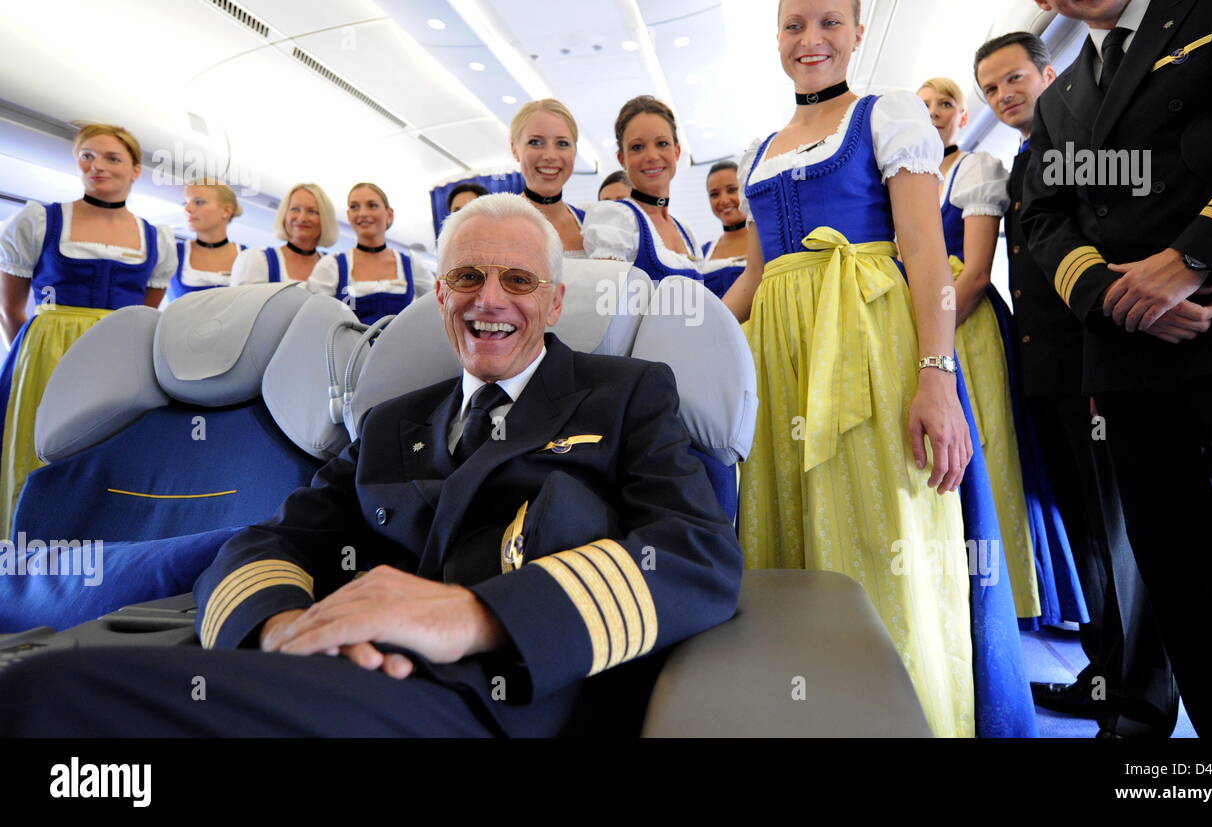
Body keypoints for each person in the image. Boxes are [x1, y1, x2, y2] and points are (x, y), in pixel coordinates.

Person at [0, 193, 743, 737]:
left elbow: (697, 553)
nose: (490, 300)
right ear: (439, 292)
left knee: (48, 703)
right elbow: (269, 542)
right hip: (349, 682)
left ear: (553, 302)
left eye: (517, 282)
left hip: (503, 695)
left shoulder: (623, 394)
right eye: (466, 279)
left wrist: (478, 615)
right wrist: (276, 627)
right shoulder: (393, 420)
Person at [1008, 0, 1212, 736]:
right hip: (1134, 358)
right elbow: (1045, 220)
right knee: (1183, 579)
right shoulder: (1061, 106)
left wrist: (1194, 260)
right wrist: (1115, 297)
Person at [723, 0, 1033, 738]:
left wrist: (936, 375)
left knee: (884, 533)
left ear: (859, 33)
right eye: (795, 26)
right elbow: (758, 277)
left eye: (830, 23)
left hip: (869, 346)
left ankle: (904, 715)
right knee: (789, 533)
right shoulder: (759, 146)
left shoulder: (888, 114)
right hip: (778, 361)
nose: (811, 39)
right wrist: (688, 352)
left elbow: (928, 255)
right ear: (777, 41)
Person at [975, 30, 1178, 738]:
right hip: (1050, 377)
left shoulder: (1089, 144)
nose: (1004, 96)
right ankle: (1105, 672)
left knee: (1122, 539)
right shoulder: (1022, 161)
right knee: (1089, 537)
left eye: (1012, 79)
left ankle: (1143, 702)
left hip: (1096, 370)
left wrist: (1107, 365)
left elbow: (1107, 257)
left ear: (1048, 73)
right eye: (992, 89)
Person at [0, 123, 176, 536]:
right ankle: (27, 545)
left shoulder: (157, 239)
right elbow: (11, 308)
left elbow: (145, 316)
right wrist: (32, 359)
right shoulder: (39, 220)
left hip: (119, 356)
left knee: (113, 451)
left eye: (111, 158)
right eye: (87, 156)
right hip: (46, 351)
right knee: (37, 449)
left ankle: (103, 543)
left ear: (135, 169)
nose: (96, 166)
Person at [915, 77, 1045, 623]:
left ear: (962, 118)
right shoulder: (907, 178)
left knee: (985, 449)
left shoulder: (975, 170)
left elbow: (973, 272)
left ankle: (1005, 595)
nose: (933, 112)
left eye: (945, 103)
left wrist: (929, 337)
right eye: (923, 104)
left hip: (962, 319)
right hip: (925, 322)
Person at [583, 96, 702, 283]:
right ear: (622, 159)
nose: (652, 156)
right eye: (637, 147)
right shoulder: (618, 220)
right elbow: (606, 307)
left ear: (676, 152)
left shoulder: (685, 231)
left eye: (662, 143)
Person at [308, 183, 434, 324]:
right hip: (351, 346)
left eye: (372, 205)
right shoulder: (332, 265)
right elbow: (317, 320)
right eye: (354, 207)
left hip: (403, 345)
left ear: (389, 214)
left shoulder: (411, 264)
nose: (362, 213)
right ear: (349, 216)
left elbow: (436, 308)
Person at [510, 99, 588, 257]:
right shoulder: (496, 223)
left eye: (562, 143)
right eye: (535, 142)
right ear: (514, 149)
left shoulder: (592, 223)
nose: (550, 156)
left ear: (574, 151)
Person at [230, 183, 336, 285]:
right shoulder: (258, 261)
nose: (302, 218)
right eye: (295, 209)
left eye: (312, 211)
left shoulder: (334, 267)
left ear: (325, 219)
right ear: (284, 215)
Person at [167, 178, 245, 300]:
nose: (188, 209)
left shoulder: (247, 257)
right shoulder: (172, 252)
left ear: (226, 211)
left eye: (198, 202)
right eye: (185, 203)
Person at [699, 161, 748, 298]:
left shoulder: (766, 242)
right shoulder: (702, 253)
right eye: (715, 194)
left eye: (732, 190)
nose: (723, 200)